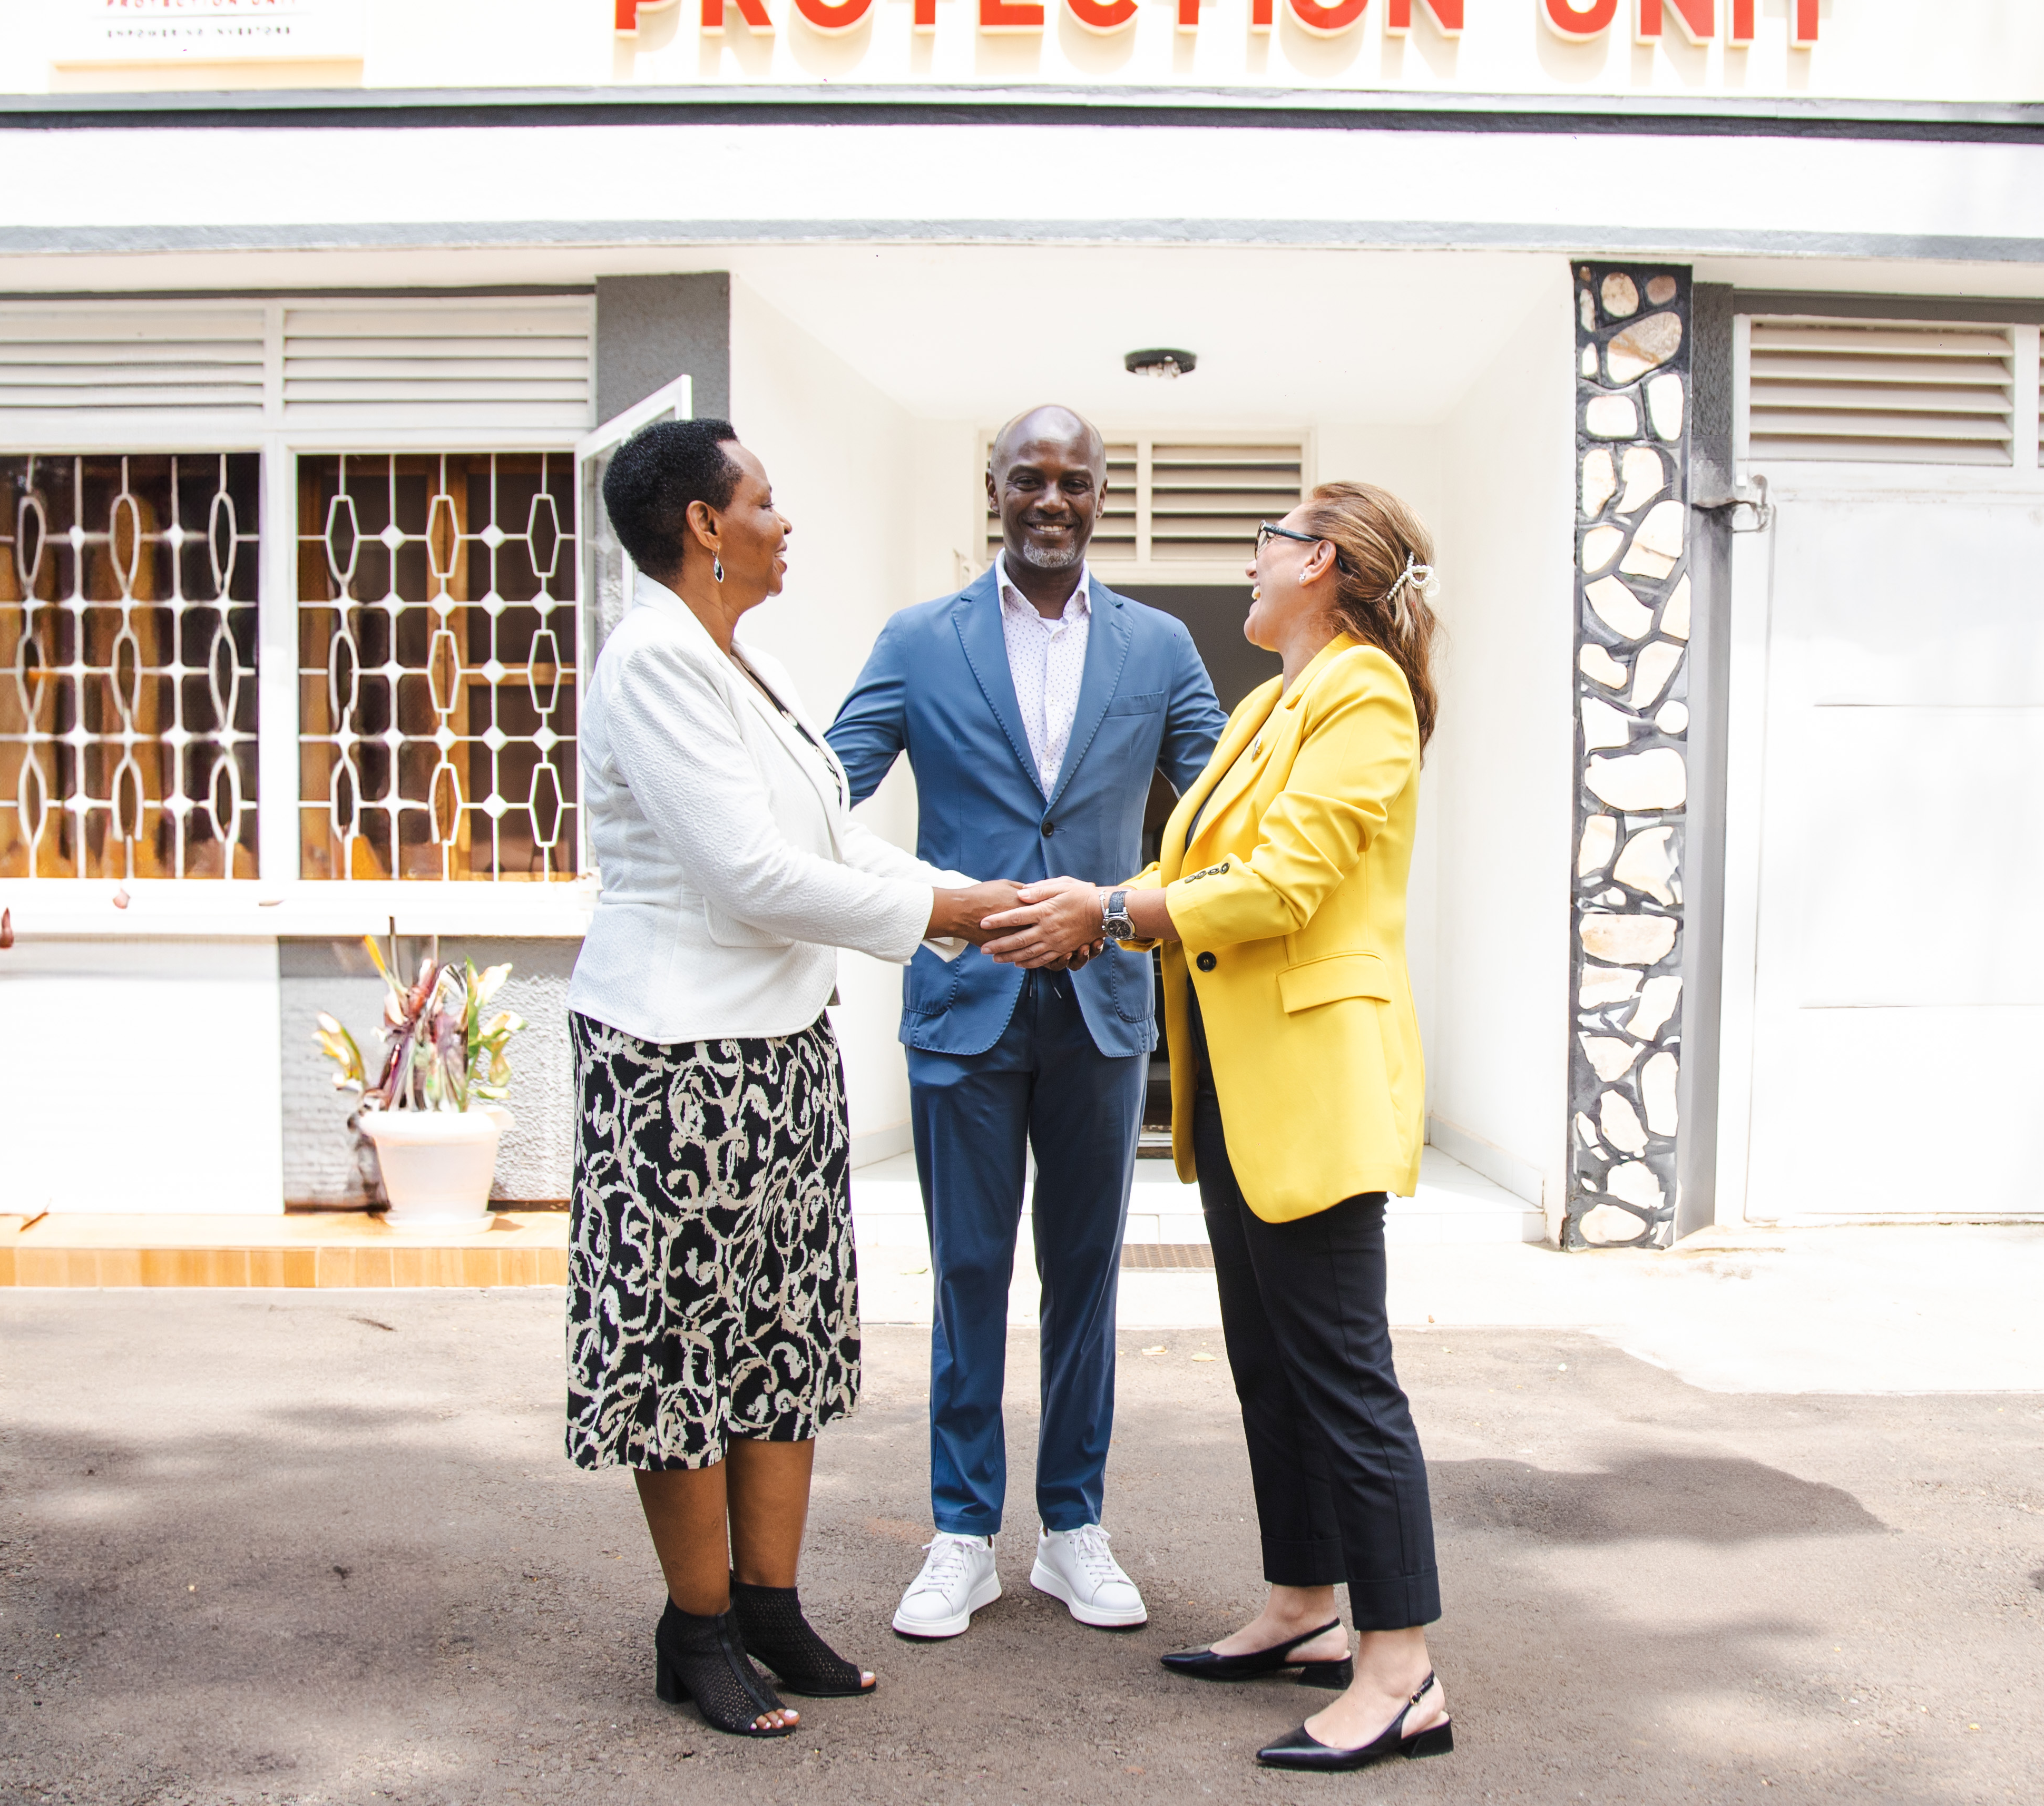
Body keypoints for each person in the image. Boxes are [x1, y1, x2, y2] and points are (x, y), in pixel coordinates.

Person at [981, 480, 1455, 1774]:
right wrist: (1110, 896)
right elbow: (1198, 870)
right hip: (1241, 1087)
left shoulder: (1359, 695)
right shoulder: (1267, 704)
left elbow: (1284, 884)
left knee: (1344, 1377)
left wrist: (1110, 914)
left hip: (1310, 1080)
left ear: (1328, 566)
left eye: (1268, 543)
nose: (1248, 564)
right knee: (1272, 1362)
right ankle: (1305, 1607)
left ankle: (1401, 1668)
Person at [564, 417, 1020, 1740]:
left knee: (781, 1339)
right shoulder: (652, 660)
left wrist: (962, 899)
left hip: (773, 1055)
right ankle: (692, 1630)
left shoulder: (732, 662)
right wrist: (955, 910)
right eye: (763, 500)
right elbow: (746, 877)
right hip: (672, 1064)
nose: (782, 520)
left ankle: (767, 1609)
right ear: (704, 525)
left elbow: (826, 837)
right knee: (681, 1354)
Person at [826, 404, 1226, 1641]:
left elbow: (1227, 809)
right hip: (962, 1006)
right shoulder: (917, 637)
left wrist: (1117, 912)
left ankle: (1069, 1528)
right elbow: (821, 792)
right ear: (991, 490)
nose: (1050, 499)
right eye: (1026, 479)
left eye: (1074, 481)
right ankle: (959, 1534)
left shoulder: (1159, 649)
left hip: (1103, 1008)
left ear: (1102, 494)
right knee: (965, 1273)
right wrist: (926, 904)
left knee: (1085, 1278)